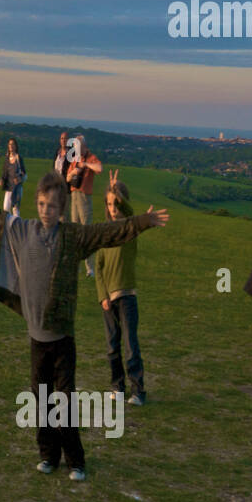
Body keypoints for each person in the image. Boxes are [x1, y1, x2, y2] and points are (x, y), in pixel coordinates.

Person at [0, 171, 170, 481]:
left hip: (62, 337)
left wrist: (142, 223)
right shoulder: (23, 231)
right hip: (36, 338)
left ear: (62, 209)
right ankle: (48, 455)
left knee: (64, 400)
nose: (45, 211)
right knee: (40, 398)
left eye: (52, 206)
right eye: (41, 204)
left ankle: (76, 461)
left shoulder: (73, 237)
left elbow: (108, 232)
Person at [95, 170, 147, 403]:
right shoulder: (105, 232)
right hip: (108, 299)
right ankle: (117, 387)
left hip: (127, 295)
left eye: (115, 203)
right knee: (111, 345)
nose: (112, 208)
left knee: (130, 345)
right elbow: (99, 267)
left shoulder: (129, 229)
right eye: (109, 203)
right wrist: (102, 295)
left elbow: (128, 212)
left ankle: (138, 391)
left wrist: (116, 191)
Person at [66, 135, 104, 277]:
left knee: (86, 231)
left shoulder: (90, 157)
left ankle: (90, 268)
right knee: (75, 231)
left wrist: (86, 165)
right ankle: (76, 265)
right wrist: (73, 172)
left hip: (84, 198)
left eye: (79, 147)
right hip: (74, 196)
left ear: (84, 146)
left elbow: (100, 168)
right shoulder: (75, 159)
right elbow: (67, 178)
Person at [0, 137, 27, 216]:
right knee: (5, 208)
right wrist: (2, 179)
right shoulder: (7, 159)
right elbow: (4, 172)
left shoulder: (18, 158)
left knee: (15, 210)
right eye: (9, 144)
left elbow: (24, 173)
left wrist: (19, 179)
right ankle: (9, 226)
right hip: (8, 187)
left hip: (16, 188)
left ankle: (17, 226)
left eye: (12, 144)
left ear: (15, 146)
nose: (11, 146)